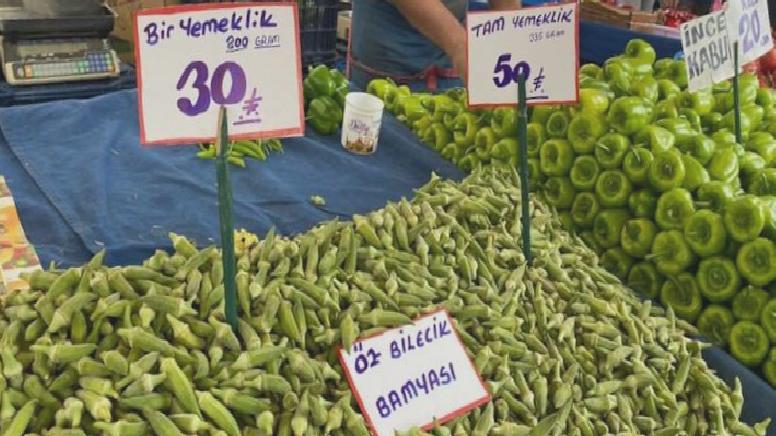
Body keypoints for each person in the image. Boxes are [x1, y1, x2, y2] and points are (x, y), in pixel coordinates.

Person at [349, 0, 520, 92]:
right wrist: (460, 46)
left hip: (449, 69)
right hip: (389, 64)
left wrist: (509, 43)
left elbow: (506, 4)